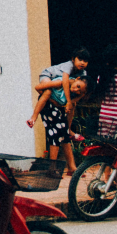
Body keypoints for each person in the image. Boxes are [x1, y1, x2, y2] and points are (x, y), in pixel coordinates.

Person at [27, 48, 88, 179]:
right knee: (55, 135)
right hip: (48, 91)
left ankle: (72, 167)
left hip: (57, 105)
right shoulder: (65, 74)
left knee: (64, 133)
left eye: (85, 61)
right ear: (73, 59)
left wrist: (71, 101)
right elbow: (39, 88)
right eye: (80, 59)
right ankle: (52, 168)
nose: (82, 63)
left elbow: (81, 92)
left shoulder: (80, 75)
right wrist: (66, 101)